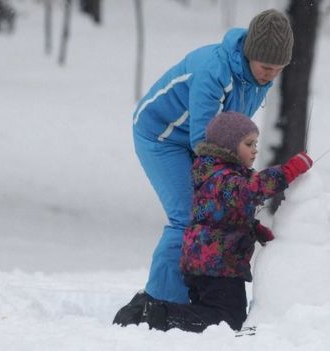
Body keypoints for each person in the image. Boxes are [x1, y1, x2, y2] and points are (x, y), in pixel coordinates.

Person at [113, 9, 294, 326]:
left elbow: (233, 133)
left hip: (204, 141)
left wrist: (238, 202)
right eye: (266, 67)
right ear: (251, 54)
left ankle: (191, 297)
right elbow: (205, 142)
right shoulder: (214, 70)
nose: (270, 75)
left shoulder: (258, 78)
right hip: (162, 135)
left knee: (212, 213)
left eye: (278, 69)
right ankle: (157, 302)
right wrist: (238, 190)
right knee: (188, 216)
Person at [140, 112, 313, 332]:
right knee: (227, 320)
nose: (255, 149)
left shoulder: (216, 175)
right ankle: (157, 315)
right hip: (216, 265)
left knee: (210, 314)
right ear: (228, 147)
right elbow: (252, 190)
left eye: (256, 143)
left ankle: (160, 314)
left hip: (207, 261)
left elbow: (217, 215)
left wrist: (254, 229)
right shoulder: (223, 178)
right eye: (248, 143)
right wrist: (288, 171)